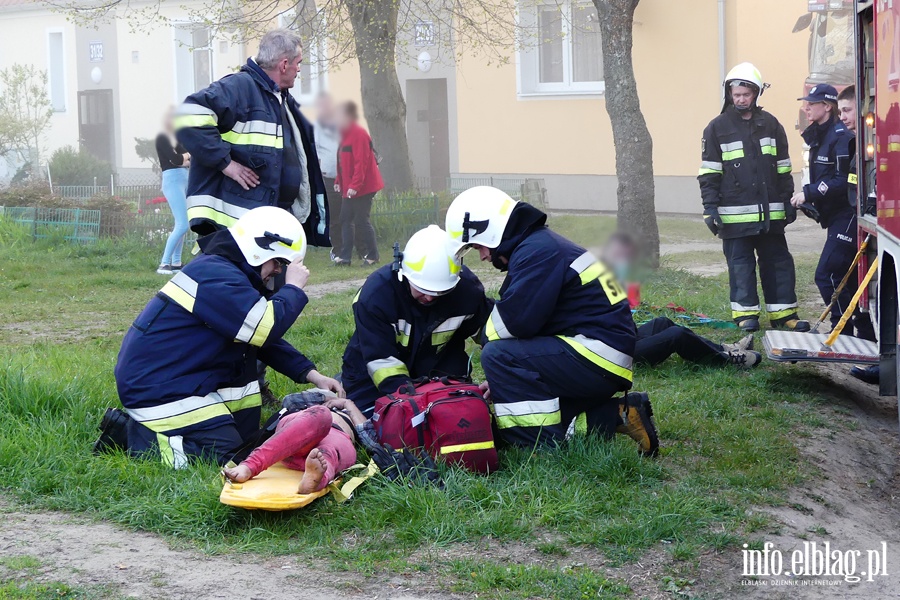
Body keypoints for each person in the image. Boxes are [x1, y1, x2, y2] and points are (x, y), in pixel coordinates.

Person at [114, 206, 343, 468]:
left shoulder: (226, 272)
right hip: (158, 389)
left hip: (180, 380)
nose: (278, 272)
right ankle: (133, 438)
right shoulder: (216, 274)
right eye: (278, 263)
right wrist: (292, 289)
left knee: (248, 445)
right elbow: (263, 328)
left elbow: (258, 339)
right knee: (225, 459)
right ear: (260, 249)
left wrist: (311, 375)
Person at [445, 186, 659, 456]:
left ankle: (537, 447)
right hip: (599, 354)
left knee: (497, 355)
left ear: (491, 231)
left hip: (594, 357)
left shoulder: (537, 253)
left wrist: (503, 368)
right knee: (534, 405)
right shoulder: (540, 246)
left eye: (478, 246)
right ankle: (621, 415)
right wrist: (508, 382)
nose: (483, 256)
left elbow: (513, 324)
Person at [174, 29, 329, 247]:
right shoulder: (239, 87)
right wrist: (226, 164)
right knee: (240, 281)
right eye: (299, 63)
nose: (299, 70)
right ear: (284, 65)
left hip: (266, 222)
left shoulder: (278, 97)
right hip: (235, 228)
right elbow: (186, 116)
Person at [699, 62, 809, 333]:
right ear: (729, 94)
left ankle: (784, 315)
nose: (740, 99)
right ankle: (746, 316)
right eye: (736, 94)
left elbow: (783, 168)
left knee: (779, 264)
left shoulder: (771, 125)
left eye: (745, 94)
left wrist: (786, 201)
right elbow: (709, 173)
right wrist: (710, 209)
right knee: (740, 267)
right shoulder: (717, 128)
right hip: (733, 217)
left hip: (771, 216)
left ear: (756, 93)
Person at [341, 225, 493, 415]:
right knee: (375, 418)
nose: (429, 298)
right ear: (402, 272)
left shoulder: (467, 292)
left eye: (438, 292)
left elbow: (491, 333)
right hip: (373, 374)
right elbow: (381, 360)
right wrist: (413, 402)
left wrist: (498, 376)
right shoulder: (377, 295)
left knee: (454, 414)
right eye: (423, 289)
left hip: (439, 368)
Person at [791, 84, 866, 337]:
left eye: (811, 103)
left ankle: (841, 328)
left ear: (827, 106)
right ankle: (864, 331)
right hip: (834, 216)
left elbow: (844, 180)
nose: (806, 108)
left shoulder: (841, 136)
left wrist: (810, 193)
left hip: (847, 215)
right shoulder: (820, 136)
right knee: (852, 278)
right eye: (806, 103)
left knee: (827, 275)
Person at [223, 399, 366, 494]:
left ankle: (315, 480)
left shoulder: (357, 407)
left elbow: (368, 432)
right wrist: (324, 395)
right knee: (321, 415)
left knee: (328, 452)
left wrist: (348, 404)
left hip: (338, 435)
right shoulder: (319, 394)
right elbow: (289, 401)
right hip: (300, 428)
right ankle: (250, 465)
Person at [334, 101, 384, 266]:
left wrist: (355, 186)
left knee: (361, 220)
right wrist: (338, 181)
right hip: (349, 186)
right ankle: (345, 257)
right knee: (345, 218)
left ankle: (373, 255)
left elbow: (361, 163)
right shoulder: (344, 133)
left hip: (364, 186)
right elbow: (342, 161)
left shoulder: (359, 133)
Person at [155, 108, 191, 275]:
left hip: (183, 179)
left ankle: (176, 263)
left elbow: (185, 160)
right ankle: (164, 264)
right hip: (172, 180)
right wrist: (184, 158)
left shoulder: (177, 139)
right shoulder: (162, 138)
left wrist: (182, 159)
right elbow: (177, 159)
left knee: (183, 223)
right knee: (183, 224)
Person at [314, 92, 345, 261]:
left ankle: (348, 248)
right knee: (333, 215)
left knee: (347, 214)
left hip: (345, 176)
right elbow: (316, 150)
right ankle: (337, 250)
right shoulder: (318, 126)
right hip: (328, 177)